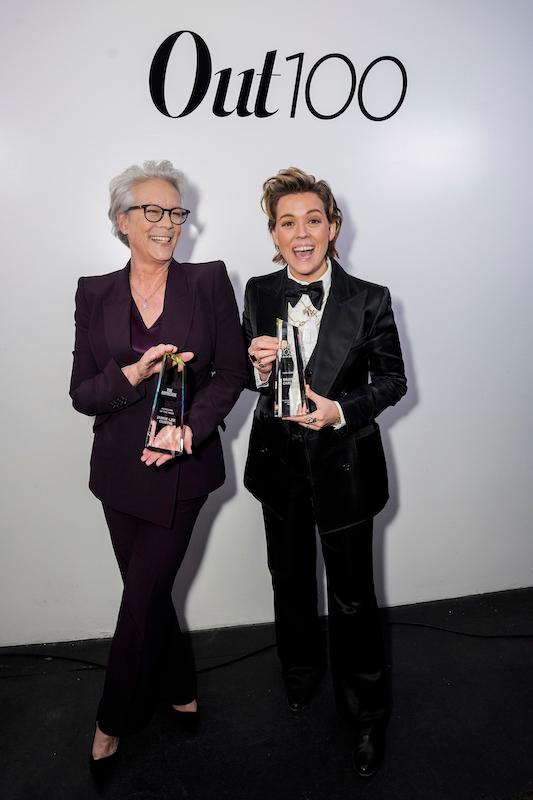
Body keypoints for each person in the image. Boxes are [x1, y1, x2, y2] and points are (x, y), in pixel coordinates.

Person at [70, 160, 247, 771]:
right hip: (118, 472)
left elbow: (233, 372)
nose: (168, 223)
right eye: (153, 211)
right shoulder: (94, 292)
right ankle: (178, 687)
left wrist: (189, 430)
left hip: (182, 470)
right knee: (148, 595)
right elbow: (81, 393)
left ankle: (112, 716)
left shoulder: (208, 280)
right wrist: (131, 374)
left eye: (175, 212)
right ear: (123, 221)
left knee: (139, 595)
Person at [242, 167, 407, 778]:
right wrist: (257, 370)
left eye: (314, 220)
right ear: (276, 234)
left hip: (346, 468)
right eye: (288, 223)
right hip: (278, 467)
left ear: (333, 228)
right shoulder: (258, 291)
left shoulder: (371, 298)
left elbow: (394, 380)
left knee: (354, 599)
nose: (302, 232)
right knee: (288, 580)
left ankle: (367, 714)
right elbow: (248, 371)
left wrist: (341, 408)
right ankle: (300, 675)